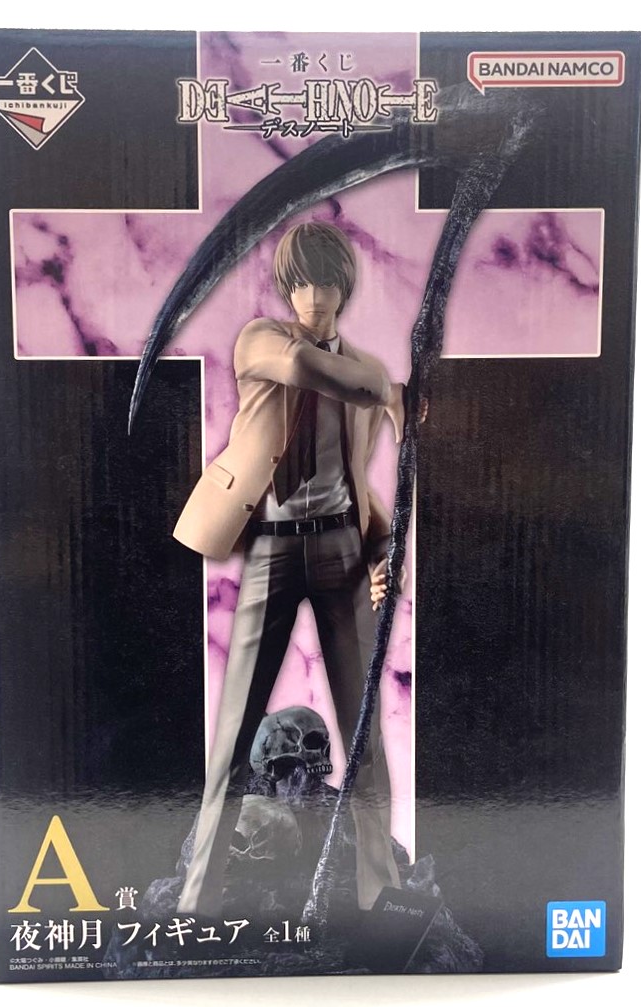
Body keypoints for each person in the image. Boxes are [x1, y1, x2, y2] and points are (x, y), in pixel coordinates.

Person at [174, 221, 407, 917]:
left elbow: (358, 481)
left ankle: (380, 894)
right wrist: (390, 388)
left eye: (325, 280)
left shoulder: (358, 371)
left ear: (344, 286)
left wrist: (382, 552)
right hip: (271, 549)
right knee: (232, 736)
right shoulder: (262, 341)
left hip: (340, 549)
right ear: (285, 288)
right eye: (300, 281)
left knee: (364, 738)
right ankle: (196, 898)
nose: (313, 294)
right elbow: (318, 372)